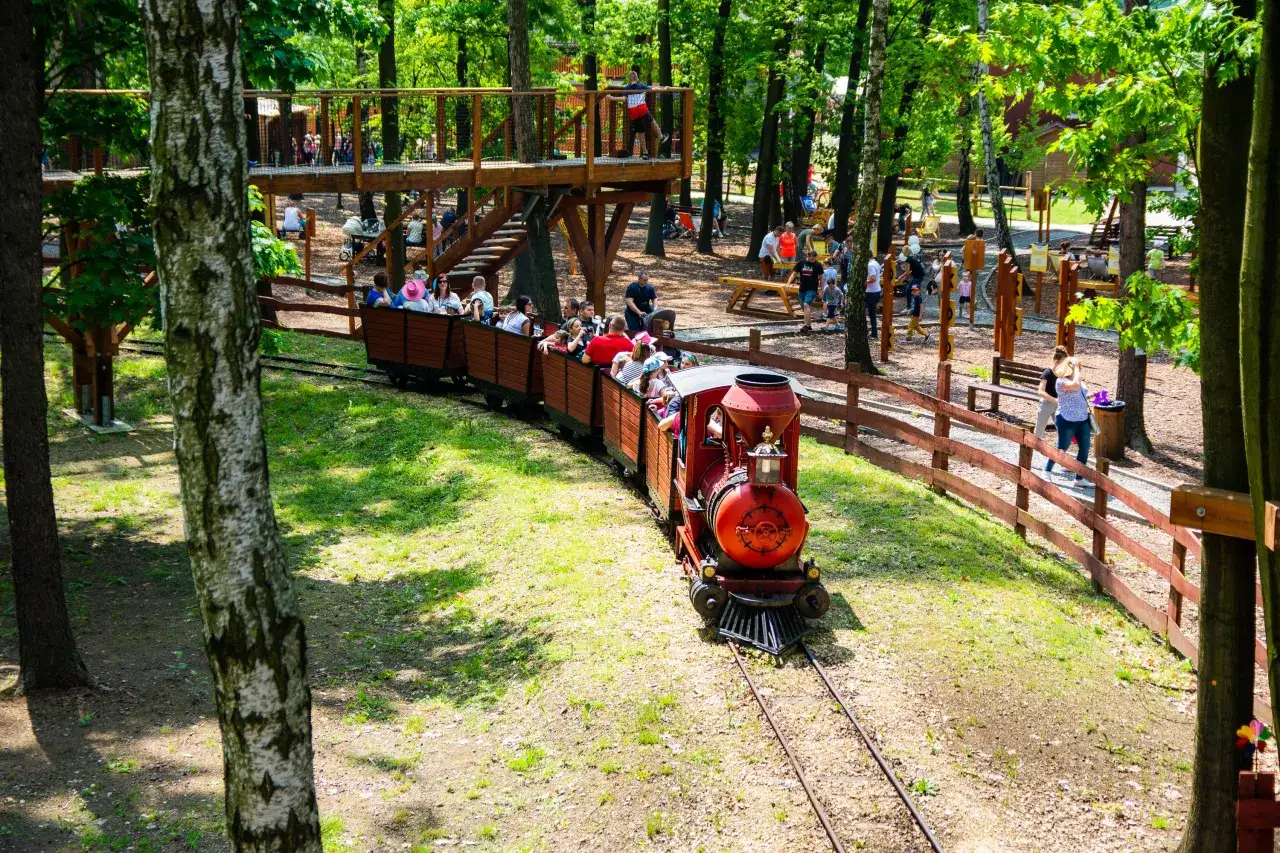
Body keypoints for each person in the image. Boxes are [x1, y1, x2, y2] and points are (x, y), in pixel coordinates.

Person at [1044, 356, 1092, 480]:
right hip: (1066, 418)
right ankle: (1047, 470)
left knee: (1085, 448)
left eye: (1079, 367)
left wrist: (1094, 395)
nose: (1079, 369)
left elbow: (1079, 395)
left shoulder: (1078, 380)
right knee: (1062, 447)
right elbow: (1075, 385)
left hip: (1082, 418)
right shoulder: (1061, 381)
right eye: (1077, 367)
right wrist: (1075, 369)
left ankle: (1079, 478)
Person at [608, 70, 668, 157]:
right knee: (652, 121)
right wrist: (664, 89)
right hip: (642, 109)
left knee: (641, 132)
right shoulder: (641, 86)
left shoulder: (626, 88)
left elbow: (624, 99)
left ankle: (645, 153)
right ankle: (661, 136)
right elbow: (654, 89)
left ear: (629, 80)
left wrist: (612, 98)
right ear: (638, 79)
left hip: (633, 112)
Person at [787, 248, 825, 333]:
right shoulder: (801, 263)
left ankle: (806, 326)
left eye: (814, 258)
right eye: (811, 258)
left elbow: (821, 279)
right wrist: (788, 283)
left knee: (806, 305)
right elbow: (793, 274)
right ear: (808, 256)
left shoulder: (818, 265)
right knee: (804, 307)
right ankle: (809, 325)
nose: (813, 260)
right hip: (802, 289)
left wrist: (822, 291)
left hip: (812, 289)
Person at [1035, 346, 1069, 438]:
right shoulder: (1047, 373)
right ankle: (1032, 449)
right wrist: (1054, 400)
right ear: (1056, 361)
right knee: (1039, 430)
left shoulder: (1062, 373)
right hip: (1047, 403)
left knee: (1062, 429)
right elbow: (1040, 391)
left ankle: (1060, 450)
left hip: (1059, 404)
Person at [821, 264, 844, 328]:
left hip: (834, 304)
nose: (830, 286)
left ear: (833, 284)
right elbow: (824, 293)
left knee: (829, 315)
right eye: (829, 285)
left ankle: (826, 327)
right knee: (832, 315)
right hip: (829, 303)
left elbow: (841, 295)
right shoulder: (827, 287)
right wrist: (824, 299)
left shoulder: (836, 289)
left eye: (831, 285)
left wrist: (841, 302)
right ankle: (837, 325)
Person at [865, 254, 883, 337]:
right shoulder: (876, 263)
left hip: (870, 292)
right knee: (872, 313)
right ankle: (873, 332)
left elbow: (873, 278)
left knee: (869, 313)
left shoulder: (870, 265)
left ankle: (873, 332)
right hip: (876, 290)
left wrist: (864, 281)